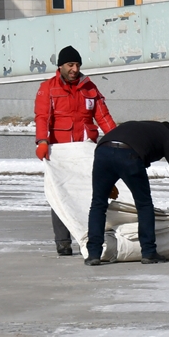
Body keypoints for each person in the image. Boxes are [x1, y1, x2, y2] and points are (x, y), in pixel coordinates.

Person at [34, 45, 117, 255]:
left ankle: (92, 238)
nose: (74, 69)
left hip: (85, 149)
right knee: (60, 194)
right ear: (60, 65)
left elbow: (103, 116)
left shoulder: (90, 87)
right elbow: (42, 116)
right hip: (60, 151)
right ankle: (63, 242)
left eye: (77, 65)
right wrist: (42, 141)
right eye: (70, 64)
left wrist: (117, 139)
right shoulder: (48, 88)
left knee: (92, 193)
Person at [85, 121, 169, 266]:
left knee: (98, 204)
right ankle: (148, 252)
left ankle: (93, 254)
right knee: (144, 205)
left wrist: (109, 181)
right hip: (129, 155)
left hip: (102, 151)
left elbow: (114, 149)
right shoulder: (166, 136)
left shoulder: (139, 127)